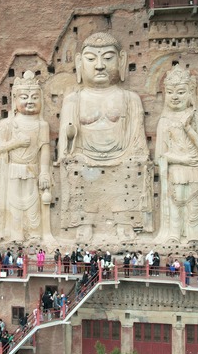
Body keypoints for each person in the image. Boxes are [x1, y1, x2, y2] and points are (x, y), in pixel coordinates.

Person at [58, 33, 152, 239]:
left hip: (122, 156)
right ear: (79, 63)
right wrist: (70, 141)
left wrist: (136, 156)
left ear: (122, 60)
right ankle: (84, 223)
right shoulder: (73, 100)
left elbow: (137, 137)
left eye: (108, 58)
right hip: (84, 157)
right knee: (74, 167)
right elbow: (65, 146)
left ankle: (125, 222)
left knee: (134, 167)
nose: (100, 66)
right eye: (91, 59)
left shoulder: (130, 99)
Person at [154, 65, 198, 247]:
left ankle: (195, 237)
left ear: (191, 93)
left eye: (181, 92)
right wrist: (181, 159)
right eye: (170, 92)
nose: (175, 97)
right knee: (175, 205)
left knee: (195, 208)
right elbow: (159, 155)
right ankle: (174, 236)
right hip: (175, 170)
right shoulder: (164, 121)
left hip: (197, 170)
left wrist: (189, 129)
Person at [0, 70, 51, 242]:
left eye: (35, 97)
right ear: (14, 99)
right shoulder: (7, 124)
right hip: (14, 168)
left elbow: (45, 149)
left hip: (33, 168)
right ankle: (16, 235)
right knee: (14, 203)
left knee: (33, 203)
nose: (30, 101)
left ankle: (34, 234)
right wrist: (16, 143)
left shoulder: (42, 125)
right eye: (24, 97)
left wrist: (44, 172)